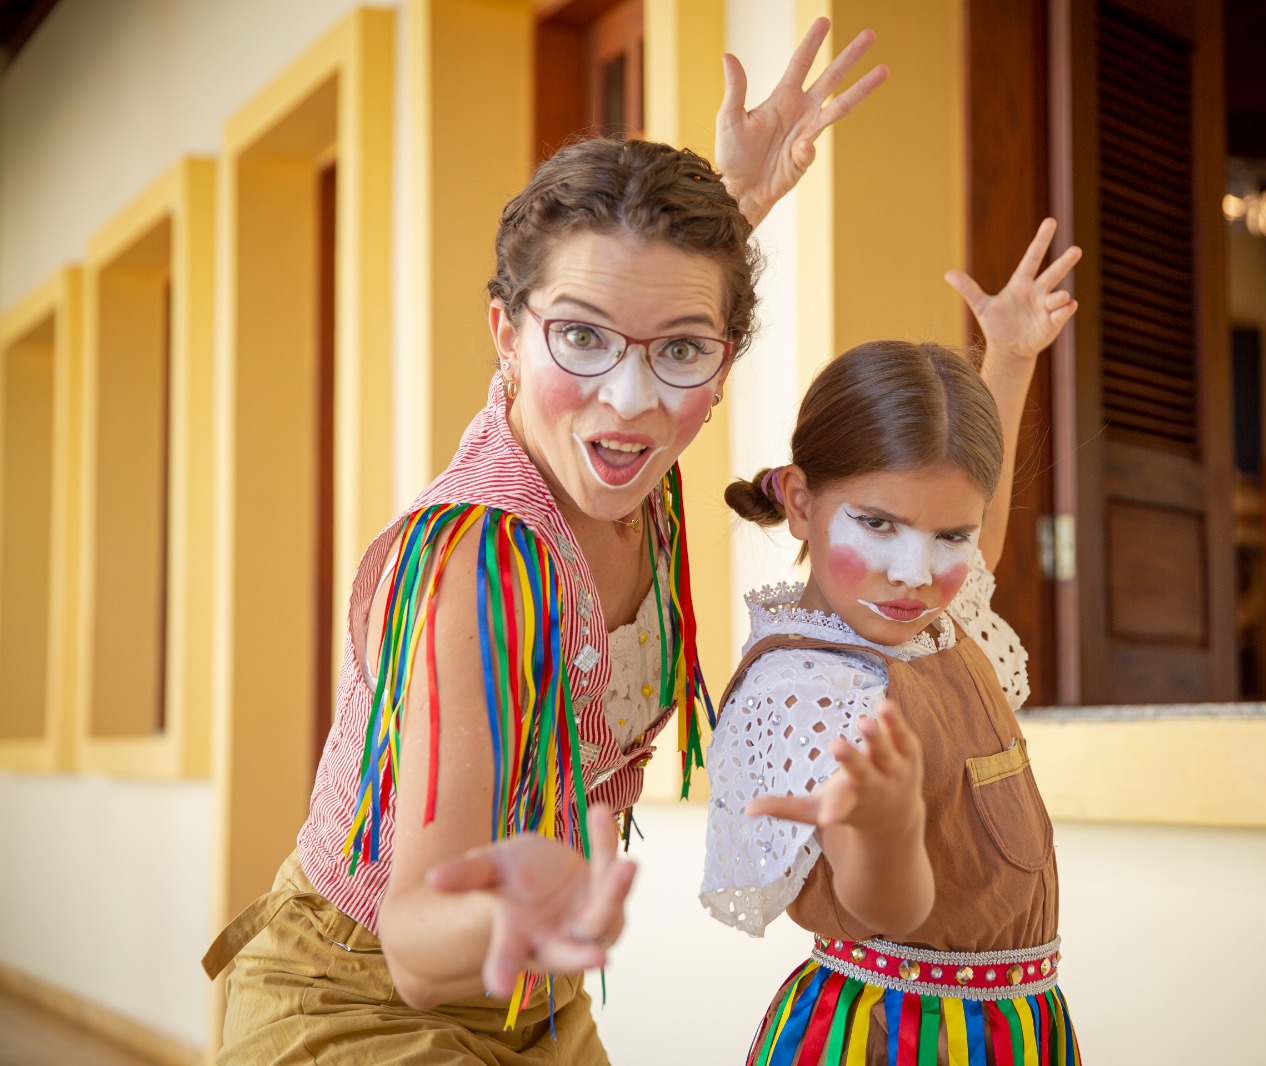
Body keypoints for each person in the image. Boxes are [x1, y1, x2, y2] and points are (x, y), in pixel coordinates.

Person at [202, 21, 887, 1063]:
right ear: (507, 336)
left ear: (722, 357)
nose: (629, 398)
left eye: (682, 352)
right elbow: (419, 942)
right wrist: (531, 904)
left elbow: (650, 298)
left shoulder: (624, 446)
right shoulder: (474, 568)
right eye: (580, 337)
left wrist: (735, 200)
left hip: (534, 1000)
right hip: (355, 992)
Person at [700, 220, 1084, 1064]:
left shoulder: (924, 617)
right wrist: (884, 835)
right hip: (892, 1035)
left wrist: (1010, 357)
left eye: (949, 537)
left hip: (1011, 1029)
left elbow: (975, 525)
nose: (915, 572)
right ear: (800, 501)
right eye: (877, 524)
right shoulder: (809, 688)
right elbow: (885, 911)